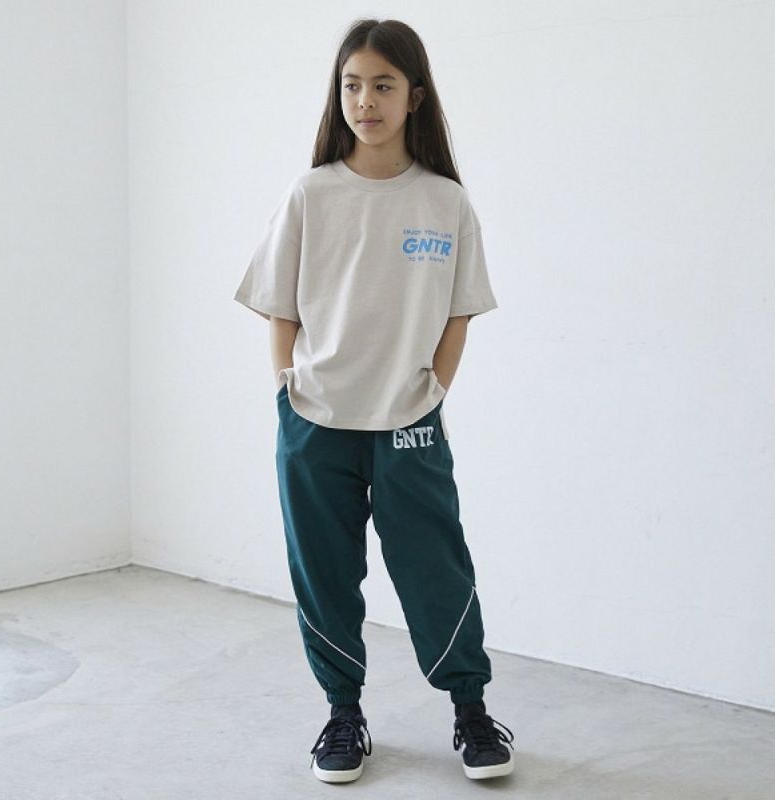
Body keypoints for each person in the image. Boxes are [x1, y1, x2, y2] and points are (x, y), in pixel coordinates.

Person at [233, 17, 516, 784]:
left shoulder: (445, 203)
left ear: (414, 96)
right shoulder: (311, 194)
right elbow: (279, 305)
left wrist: (431, 392)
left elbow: (459, 314)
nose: (365, 101)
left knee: (436, 568)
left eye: (383, 85)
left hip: (408, 421)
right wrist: (287, 391)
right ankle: (342, 716)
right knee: (324, 575)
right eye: (352, 85)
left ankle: (471, 712)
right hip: (314, 423)